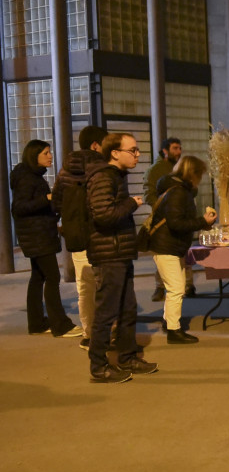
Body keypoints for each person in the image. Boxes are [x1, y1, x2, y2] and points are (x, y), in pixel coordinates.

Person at [87, 132, 155, 383]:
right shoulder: (103, 177)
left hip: (120, 251)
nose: (137, 155)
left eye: (137, 150)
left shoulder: (116, 176)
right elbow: (103, 215)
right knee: (106, 312)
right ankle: (98, 366)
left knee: (127, 309)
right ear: (115, 153)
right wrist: (131, 204)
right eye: (132, 150)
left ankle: (128, 357)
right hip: (108, 254)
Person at [11, 139, 82, 338]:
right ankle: (60, 325)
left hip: (38, 234)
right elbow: (19, 207)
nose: (50, 156)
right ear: (34, 156)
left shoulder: (32, 176)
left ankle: (36, 323)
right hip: (37, 236)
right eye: (45, 153)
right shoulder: (27, 178)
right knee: (52, 277)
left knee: (38, 277)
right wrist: (47, 199)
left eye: (50, 152)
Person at [52, 125, 109, 348]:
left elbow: (56, 202)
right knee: (106, 284)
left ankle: (89, 333)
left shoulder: (65, 169)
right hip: (100, 233)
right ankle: (106, 331)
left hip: (76, 235)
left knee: (84, 286)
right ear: (96, 145)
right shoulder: (102, 169)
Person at [148, 156, 217, 344]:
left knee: (174, 287)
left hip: (169, 246)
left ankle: (169, 322)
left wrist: (203, 222)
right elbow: (176, 223)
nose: (200, 178)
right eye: (200, 174)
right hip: (167, 246)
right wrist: (203, 221)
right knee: (176, 289)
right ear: (192, 173)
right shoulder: (179, 192)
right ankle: (173, 330)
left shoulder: (176, 189)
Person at [144, 137, 194, 301]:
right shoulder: (155, 170)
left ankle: (189, 284)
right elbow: (148, 193)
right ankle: (160, 286)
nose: (179, 152)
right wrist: (163, 208)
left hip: (182, 217)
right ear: (165, 151)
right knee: (164, 251)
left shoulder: (181, 168)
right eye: (175, 148)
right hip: (163, 220)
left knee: (184, 249)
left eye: (180, 148)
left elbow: (191, 190)